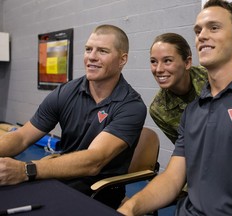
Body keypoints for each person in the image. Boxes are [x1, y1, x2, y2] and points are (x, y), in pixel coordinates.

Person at [117, 0, 232, 215]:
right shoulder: (193, 111)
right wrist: (131, 207)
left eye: (214, 28)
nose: (202, 36)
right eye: (198, 31)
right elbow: (172, 178)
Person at [0, 24, 147, 209]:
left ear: (122, 59)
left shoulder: (131, 106)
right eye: (88, 49)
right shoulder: (66, 92)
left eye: (102, 51)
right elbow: (22, 137)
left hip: (98, 192)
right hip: (60, 177)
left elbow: (94, 160)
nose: (91, 57)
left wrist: (25, 170)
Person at [149, 33, 207, 144]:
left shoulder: (210, 76)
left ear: (187, 62)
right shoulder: (158, 109)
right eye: (154, 62)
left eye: (167, 61)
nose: (159, 69)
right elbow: (185, 147)